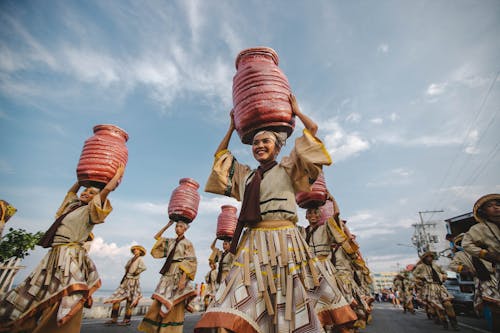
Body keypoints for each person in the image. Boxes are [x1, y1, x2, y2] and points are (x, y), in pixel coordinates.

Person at [195, 94, 356, 332]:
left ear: (278, 147)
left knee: (288, 297)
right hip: (253, 243)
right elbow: (220, 158)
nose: (259, 146)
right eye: (255, 143)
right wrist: (230, 128)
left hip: (286, 240)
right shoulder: (246, 176)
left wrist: (297, 112)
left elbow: (312, 131)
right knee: (240, 293)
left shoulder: (289, 167)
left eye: (265, 142)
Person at [0, 165, 125, 333]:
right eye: (85, 191)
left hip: (70, 253)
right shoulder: (71, 207)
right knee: (41, 289)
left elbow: (106, 191)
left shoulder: (90, 211)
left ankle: (63, 326)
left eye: (91, 193)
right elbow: (70, 194)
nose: (86, 193)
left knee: (71, 289)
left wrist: (117, 174)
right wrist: (81, 180)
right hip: (54, 253)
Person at [303, 207, 359, 332]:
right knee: (310, 303)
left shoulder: (325, 228)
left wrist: (331, 198)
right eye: (310, 213)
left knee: (333, 299)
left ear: (320, 216)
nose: (312, 215)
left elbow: (336, 216)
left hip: (325, 269)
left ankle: (345, 325)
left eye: (315, 213)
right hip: (309, 270)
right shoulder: (302, 231)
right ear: (306, 216)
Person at [138, 220, 197, 333]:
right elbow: (157, 237)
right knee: (160, 300)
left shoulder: (187, 243)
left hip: (179, 272)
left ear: (185, 229)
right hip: (168, 272)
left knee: (175, 303)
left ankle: (171, 330)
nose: (177, 228)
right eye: (176, 226)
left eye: (180, 226)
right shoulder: (170, 241)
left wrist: (183, 279)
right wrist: (168, 225)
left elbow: (190, 261)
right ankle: (156, 327)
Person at [462, 194, 500, 332]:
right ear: (483, 211)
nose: (495, 207)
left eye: (497, 204)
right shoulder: (479, 229)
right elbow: (467, 244)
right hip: (492, 273)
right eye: (490, 206)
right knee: (496, 309)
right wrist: (486, 254)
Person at [413, 251, 459, 330]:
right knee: (438, 307)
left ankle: (454, 323)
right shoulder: (420, 267)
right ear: (425, 259)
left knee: (448, 304)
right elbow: (414, 275)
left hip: (439, 286)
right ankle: (444, 322)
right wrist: (422, 277)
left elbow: (444, 273)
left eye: (431, 257)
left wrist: (444, 276)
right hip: (429, 287)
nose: (429, 258)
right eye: (427, 257)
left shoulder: (436, 265)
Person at [104, 244, 147, 326]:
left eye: (137, 249)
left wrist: (136, 272)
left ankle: (127, 320)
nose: (135, 251)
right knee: (117, 298)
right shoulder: (131, 259)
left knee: (129, 301)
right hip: (126, 280)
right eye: (134, 250)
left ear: (140, 251)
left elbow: (144, 267)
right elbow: (126, 268)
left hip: (133, 281)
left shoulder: (140, 259)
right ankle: (114, 318)